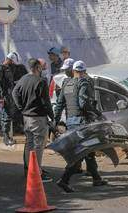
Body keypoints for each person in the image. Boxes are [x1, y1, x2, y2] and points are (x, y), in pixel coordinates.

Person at [54, 60, 107, 193]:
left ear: (73, 71)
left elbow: (59, 104)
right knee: (81, 153)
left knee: (89, 150)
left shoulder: (66, 83)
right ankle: (64, 180)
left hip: (71, 122)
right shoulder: (83, 82)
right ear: (83, 71)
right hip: (82, 123)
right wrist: (97, 113)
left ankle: (96, 178)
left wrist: (55, 122)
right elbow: (83, 103)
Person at [12, 58, 54, 183]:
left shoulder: (23, 79)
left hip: (27, 118)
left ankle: (30, 170)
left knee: (29, 145)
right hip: (38, 118)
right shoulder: (41, 81)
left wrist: (21, 107)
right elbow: (46, 102)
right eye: (41, 66)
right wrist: (52, 116)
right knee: (38, 147)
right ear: (37, 67)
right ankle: (37, 173)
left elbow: (15, 92)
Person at [0, 52, 28, 145]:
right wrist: (0, 97)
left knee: (19, 114)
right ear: (9, 60)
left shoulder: (14, 68)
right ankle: (6, 137)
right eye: (12, 62)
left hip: (14, 94)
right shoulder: (0, 69)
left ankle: (24, 132)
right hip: (6, 95)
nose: (13, 64)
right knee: (7, 116)